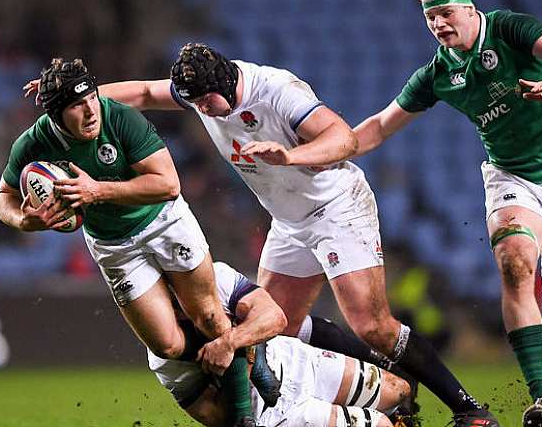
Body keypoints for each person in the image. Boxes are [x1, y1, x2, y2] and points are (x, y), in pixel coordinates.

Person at [30, 42, 500, 426]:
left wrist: (290, 156)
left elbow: (345, 139)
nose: (199, 110)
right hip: (291, 221)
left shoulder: (276, 91)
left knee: (371, 325)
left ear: (227, 83)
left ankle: (468, 409)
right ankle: (383, 388)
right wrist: (74, 98)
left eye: (204, 102)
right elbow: (145, 93)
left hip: (337, 207)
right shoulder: (202, 92)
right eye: (191, 102)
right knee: (278, 326)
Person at [352, 0, 542, 426]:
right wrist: (316, 152)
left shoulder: (508, 28)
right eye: (430, 17)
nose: (438, 24)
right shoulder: (437, 74)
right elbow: (378, 127)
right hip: (512, 177)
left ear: (470, 9)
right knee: (515, 259)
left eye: (446, 12)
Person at [0, 58, 256, 426]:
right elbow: (2, 198)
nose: (90, 111)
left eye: (91, 99)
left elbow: (168, 185)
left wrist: (96, 191)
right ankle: (247, 356)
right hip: (114, 244)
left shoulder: (119, 118)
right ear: (55, 114)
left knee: (211, 317)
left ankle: (244, 417)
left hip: (165, 221)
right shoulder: (34, 144)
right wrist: (25, 219)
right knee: (166, 345)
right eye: (75, 105)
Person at [151, 260, 410, 427]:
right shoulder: (165, 352)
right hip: (272, 413)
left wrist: (230, 344)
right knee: (380, 425)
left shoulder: (216, 277)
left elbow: (275, 318)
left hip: (293, 360)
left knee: (399, 390)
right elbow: (209, 413)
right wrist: (249, 356)